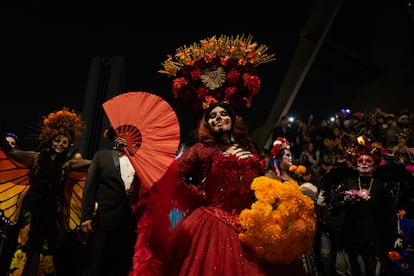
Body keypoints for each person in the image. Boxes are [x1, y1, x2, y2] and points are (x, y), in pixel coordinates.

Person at [0, 107, 91, 275]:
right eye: (57, 140)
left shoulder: (69, 164)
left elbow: (91, 164)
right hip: (31, 207)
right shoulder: (35, 158)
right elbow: (11, 152)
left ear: (69, 144)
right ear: (50, 139)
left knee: (47, 247)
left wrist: (116, 154)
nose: (60, 145)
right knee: (24, 242)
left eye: (64, 142)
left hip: (53, 211)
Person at [319, 137, 397, 275]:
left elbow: (389, 213)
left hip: (375, 236)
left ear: (375, 163)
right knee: (354, 269)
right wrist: (345, 198)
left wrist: (393, 236)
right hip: (352, 235)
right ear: (355, 162)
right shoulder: (348, 181)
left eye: (368, 161)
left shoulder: (381, 185)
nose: (364, 164)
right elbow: (332, 202)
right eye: (361, 161)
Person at [80, 126, 141, 276]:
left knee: (121, 267)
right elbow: (90, 188)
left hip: (130, 222)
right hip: (104, 220)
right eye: (121, 134)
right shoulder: (102, 156)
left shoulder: (141, 161)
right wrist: (86, 216)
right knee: (96, 265)